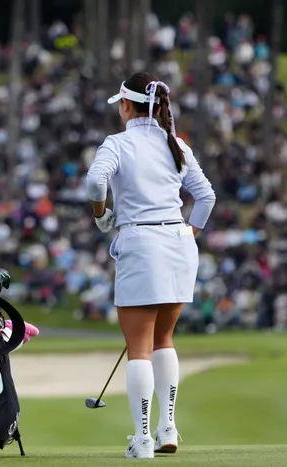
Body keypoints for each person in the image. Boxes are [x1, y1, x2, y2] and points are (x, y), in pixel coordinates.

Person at [86, 72, 216, 458]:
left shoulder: (117, 143)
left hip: (141, 243)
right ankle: (167, 427)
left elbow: (95, 183)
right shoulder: (176, 144)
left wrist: (101, 214)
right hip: (178, 244)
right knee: (164, 340)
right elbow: (206, 197)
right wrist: (190, 232)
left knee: (139, 347)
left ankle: (143, 438)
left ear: (126, 105)